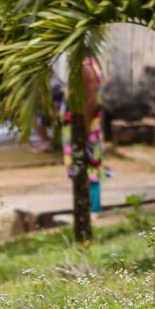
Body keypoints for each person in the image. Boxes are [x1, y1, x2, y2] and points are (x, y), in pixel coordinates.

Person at [61, 56, 106, 212]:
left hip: (85, 131)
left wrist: (83, 132)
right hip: (84, 129)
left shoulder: (85, 66)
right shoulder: (88, 63)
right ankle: (89, 210)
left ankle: (92, 211)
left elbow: (91, 100)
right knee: (84, 170)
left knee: (88, 170)